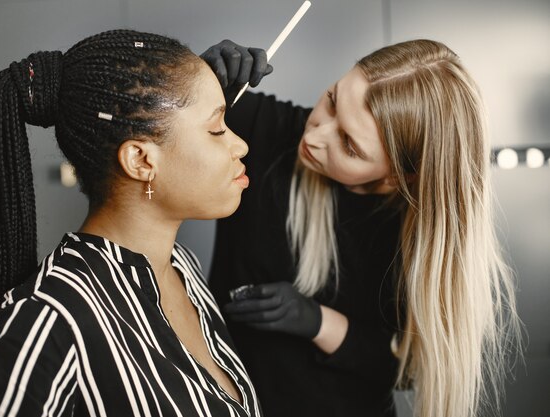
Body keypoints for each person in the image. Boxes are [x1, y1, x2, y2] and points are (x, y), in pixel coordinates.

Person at [0, 30, 264, 417]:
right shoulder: (49, 322)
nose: (240, 145)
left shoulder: (183, 268)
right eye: (216, 129)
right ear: (141, 161)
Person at [201, 39, 521, 417]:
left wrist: (318, 321)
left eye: (350, 146)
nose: (314, 136)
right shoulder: (269, 130)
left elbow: (408, 370)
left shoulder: (417, 231)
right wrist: (200, 81)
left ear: (399, 177)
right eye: (332, 101)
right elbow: (142, 117)